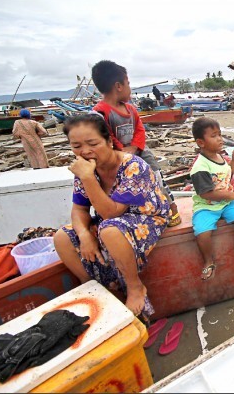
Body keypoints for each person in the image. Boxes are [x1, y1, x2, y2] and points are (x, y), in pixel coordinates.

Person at [53, 112, 170, 321]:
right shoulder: (85, 169)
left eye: (92, 143)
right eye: (76, 146)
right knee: (62, 238)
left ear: (108, 141)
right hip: (111, 220)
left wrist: (88, 177)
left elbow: (112, 212)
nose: (85, 151)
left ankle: (135, 288)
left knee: (110, 230)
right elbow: (79, 209)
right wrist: (84, 235)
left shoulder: (133, 166)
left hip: (147, 217)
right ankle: (96, 289)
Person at [91, 60, 182, 227]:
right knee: (126, 186)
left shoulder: (130, 109)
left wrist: (133, 148)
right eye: (128, 83)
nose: (129, 88)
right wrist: (122, 151)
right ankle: (139, 216)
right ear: (119, 86)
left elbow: (140, 130)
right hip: (117, 157)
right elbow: (105, 136)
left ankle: (171, 207)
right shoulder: (100, 112)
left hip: (139, 150)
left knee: (156, 177)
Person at [190, 117, 234, 281]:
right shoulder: (200, 167)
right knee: (202, 232)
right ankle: (208, 261)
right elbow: (205, 193)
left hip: (226, 203)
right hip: (206, 205)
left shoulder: (219, 157)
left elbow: (226, 176)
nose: (220, 139)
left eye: (220, 134)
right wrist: (229, 194)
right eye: (214, 136)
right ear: (201, 142)